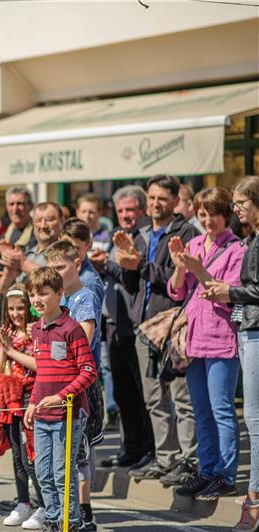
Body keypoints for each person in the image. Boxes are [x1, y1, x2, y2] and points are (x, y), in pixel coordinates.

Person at [115, 174, 199, 486]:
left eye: (161, 198)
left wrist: (140, 265)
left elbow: (180, 279)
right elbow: (132, 283)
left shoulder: (185, 232)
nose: (155, 204)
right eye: (151, 198)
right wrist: (125, 266)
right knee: (154, 398)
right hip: (142, 326)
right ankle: (165, 458)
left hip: (172, 325)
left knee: (182, 397)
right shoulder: (141, 233)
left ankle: (190, 461)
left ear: (175, 201)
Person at [165, 186, 245, 502]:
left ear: (226, 215)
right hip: (195, 338)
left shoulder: (237, 249)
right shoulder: (195, 242)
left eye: (214, 214)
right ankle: (207, 471)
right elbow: (176, 291)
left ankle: (225, 476)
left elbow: (231, 298)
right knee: (200, 409)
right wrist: (180, 266)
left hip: (222, 337)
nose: (208, 220)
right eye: (202, 213)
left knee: (222, 409)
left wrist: (198, 269)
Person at [200, 176, 259, 531]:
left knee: (254, 420)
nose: (235, 209)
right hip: (248, 328)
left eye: (240, 203)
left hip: (254, 329)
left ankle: (253, 502)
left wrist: (230, 292)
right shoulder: (251, 238)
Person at [23, 267, 98, 532]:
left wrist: (60, 397)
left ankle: (70, 523)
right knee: (43, 474)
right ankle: (53, 521)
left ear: (59, 294)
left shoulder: (72, 329)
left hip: (68, 414)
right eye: (32, 294)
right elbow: (41, 373)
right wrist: (33, 401)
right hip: (43, 416)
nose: (36, 299)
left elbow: (89, 371)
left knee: (62, 474)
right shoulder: (36, 329)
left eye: (43, 293)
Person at [45, 240, 104, 531]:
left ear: (77, 264)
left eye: (61, 267)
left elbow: (85, 339)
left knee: (79, 451)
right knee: (59, 451)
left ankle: (84, 512)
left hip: (80, 382)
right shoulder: (57, 301)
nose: (56, 273)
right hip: (55, 382)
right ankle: (60, 510)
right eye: (51, 268)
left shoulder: (85, 297)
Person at [96, 186, 154, 470]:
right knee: (122, 393)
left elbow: (133, 277)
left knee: (143, 394)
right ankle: (130, 448)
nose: (126, 215)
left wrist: (108, 266)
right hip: (112, 324)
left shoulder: (144, 238)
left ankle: (149, 450)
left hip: (136, 325)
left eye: (131, 209)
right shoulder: (115, 238)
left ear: (142, 210)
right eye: (121, 211)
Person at [0, 285, 45, 530]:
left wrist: (12, 350)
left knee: (30, 456)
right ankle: (23, 502)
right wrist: (5, 349)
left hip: (29, 398)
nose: (16, 313)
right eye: (11, 309)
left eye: (20, 307)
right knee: (16, 454)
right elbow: (0, 367)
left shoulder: (36, 331)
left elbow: (38, 365)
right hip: (10, 399)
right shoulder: (5, 332)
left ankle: (44, 506)